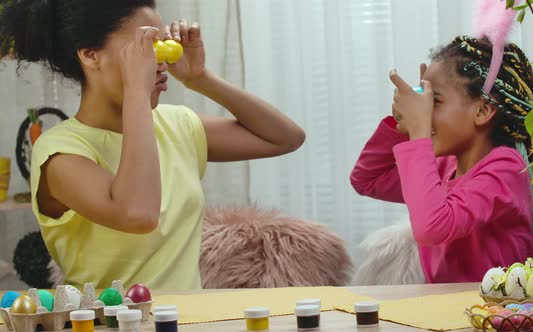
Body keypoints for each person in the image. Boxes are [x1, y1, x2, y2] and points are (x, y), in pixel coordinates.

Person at [0, 0, 305, 290]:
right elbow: (139, 214)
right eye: (144, 45)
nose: (162, 58)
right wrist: (137, 90)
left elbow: (286, 137)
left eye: (160, 44)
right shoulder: (59, 152)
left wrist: (200, 79)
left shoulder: (176, 125)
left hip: (188, 320)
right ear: (91, 54)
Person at [350, 36, 533, 283]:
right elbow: (366, 179)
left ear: (482, 111)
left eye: (435, 101)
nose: (424, 111)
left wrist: (420, 128)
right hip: (446, 311)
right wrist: (403, 124)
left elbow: (432, 228)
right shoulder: (446, 167)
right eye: (424, 102)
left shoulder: (505, 169)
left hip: (496, 313)